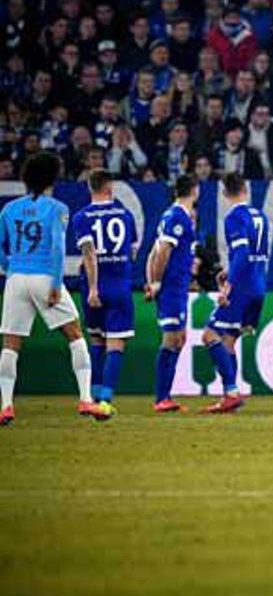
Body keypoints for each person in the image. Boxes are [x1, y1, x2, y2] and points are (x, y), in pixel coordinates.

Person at [0, 152, 104, 424]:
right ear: (51, 177)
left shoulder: (9, 209)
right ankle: (85, 399)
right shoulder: (57, 208)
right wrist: (57, 284)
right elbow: (58, 248)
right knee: (74, 334)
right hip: (44, 276)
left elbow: (0, 247)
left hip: (16, 279)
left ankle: (6, 406)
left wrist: (9, 266)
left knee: (11, 344)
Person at [201, 173, 269, 413]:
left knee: (209, 335)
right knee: (228, 340)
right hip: (258, 286)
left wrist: (228, 284)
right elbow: (254, 256)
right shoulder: (260, 215)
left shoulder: (234, 217)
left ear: (224, 193)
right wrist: (229, 270)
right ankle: (230, 396)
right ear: (246, 190)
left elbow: (242, 253)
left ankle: (231, 392)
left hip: (241, 287)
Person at [72, 170, 138, 415]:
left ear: (90, 188)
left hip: (93, 286)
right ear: (110, 187)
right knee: (116, 344)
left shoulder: (81, 217)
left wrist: (92, 287)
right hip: (119, 286)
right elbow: (132, 251)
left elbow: (88, 253)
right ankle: (105, 401)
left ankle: (92, 398)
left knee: (97, 341)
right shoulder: (126, 215)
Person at [145, 175, 198, 412]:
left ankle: (165, 396)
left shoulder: (176, 215)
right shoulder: (177, 216)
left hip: (178, 286)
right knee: (171, 339)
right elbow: (163, 251)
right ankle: (161, 398)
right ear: (195, 191)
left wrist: (151, 279)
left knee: (179, 339)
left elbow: (153, 251)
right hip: (172, 287)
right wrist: (155, 282)